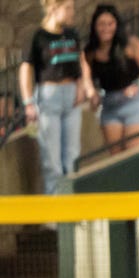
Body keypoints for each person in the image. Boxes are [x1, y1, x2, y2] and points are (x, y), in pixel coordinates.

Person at [18, 0, 98, 194]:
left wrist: (83, 86)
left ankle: (69, 210)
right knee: (51, 161)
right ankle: (55, 218)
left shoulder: (72, 34)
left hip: (71, 94)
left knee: (71, 156)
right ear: (54, 9)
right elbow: (26, 69)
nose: (72, 13)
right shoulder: (38, 36)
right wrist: (28, 102)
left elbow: (81, 62)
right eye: (68, 8)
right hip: (48, 95)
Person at [84, 4, 139, 155]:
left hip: (135, 100)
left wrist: (138, 85)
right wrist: (92, 93)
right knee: (116, 156)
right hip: (110, 104)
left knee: (136, 152)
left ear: (117, 25)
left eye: (110, 24)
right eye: (101, 24)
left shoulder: (130, 45)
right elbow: (86, 76)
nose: (106, 28)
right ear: (95, 27)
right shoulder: (90, 52)